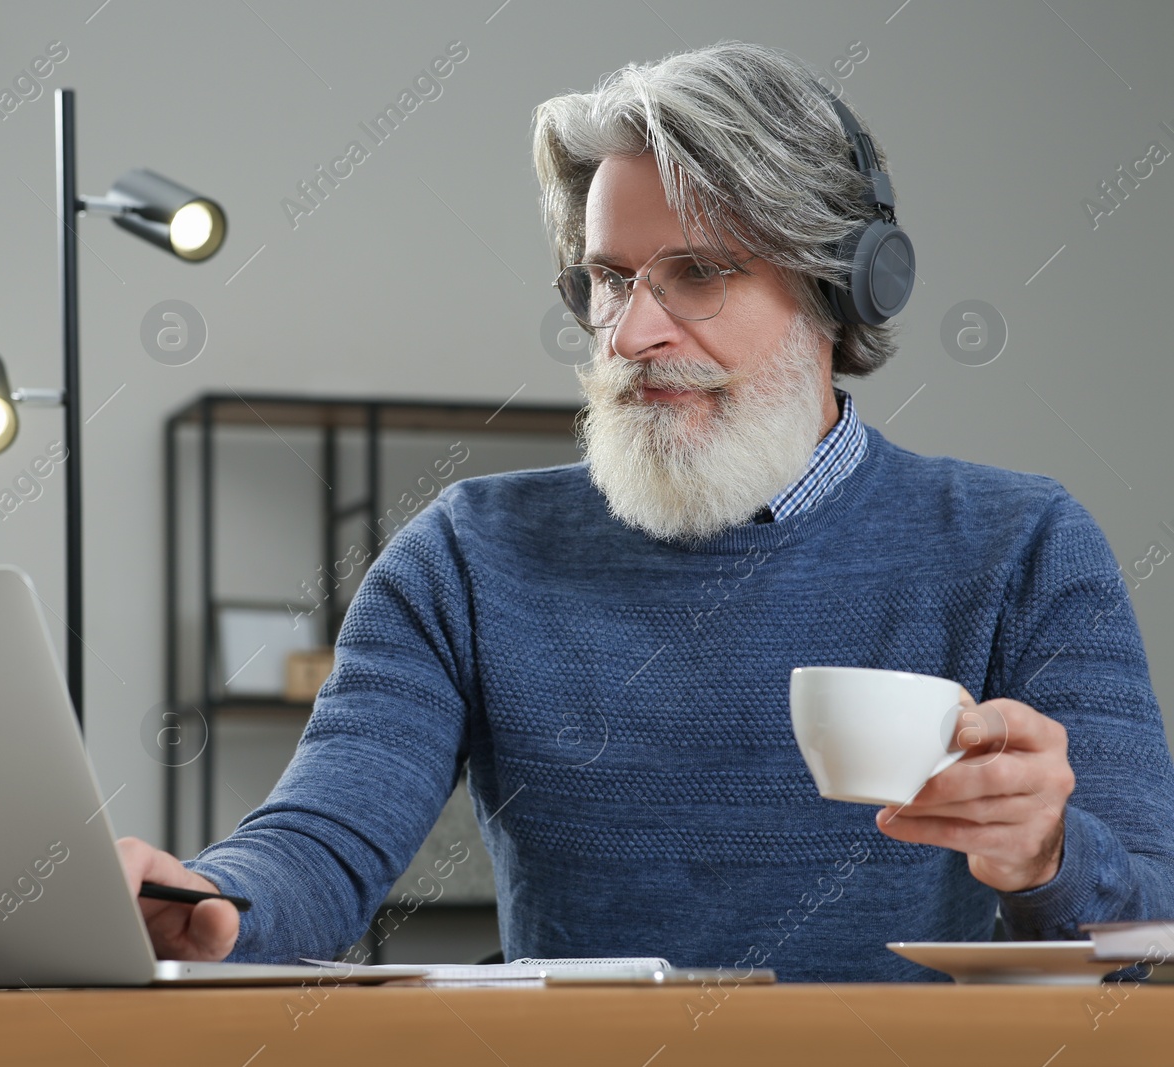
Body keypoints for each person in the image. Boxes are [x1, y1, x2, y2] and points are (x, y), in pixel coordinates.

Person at [116, 40, 1174, 981]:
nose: (627, 333)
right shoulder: (470, 553)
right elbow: (323, 838)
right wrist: (206, 904)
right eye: (608, 280)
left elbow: (1152, 933)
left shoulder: (1019, 544)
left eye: (697, 274)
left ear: (837, 287)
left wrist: (1043, 852)